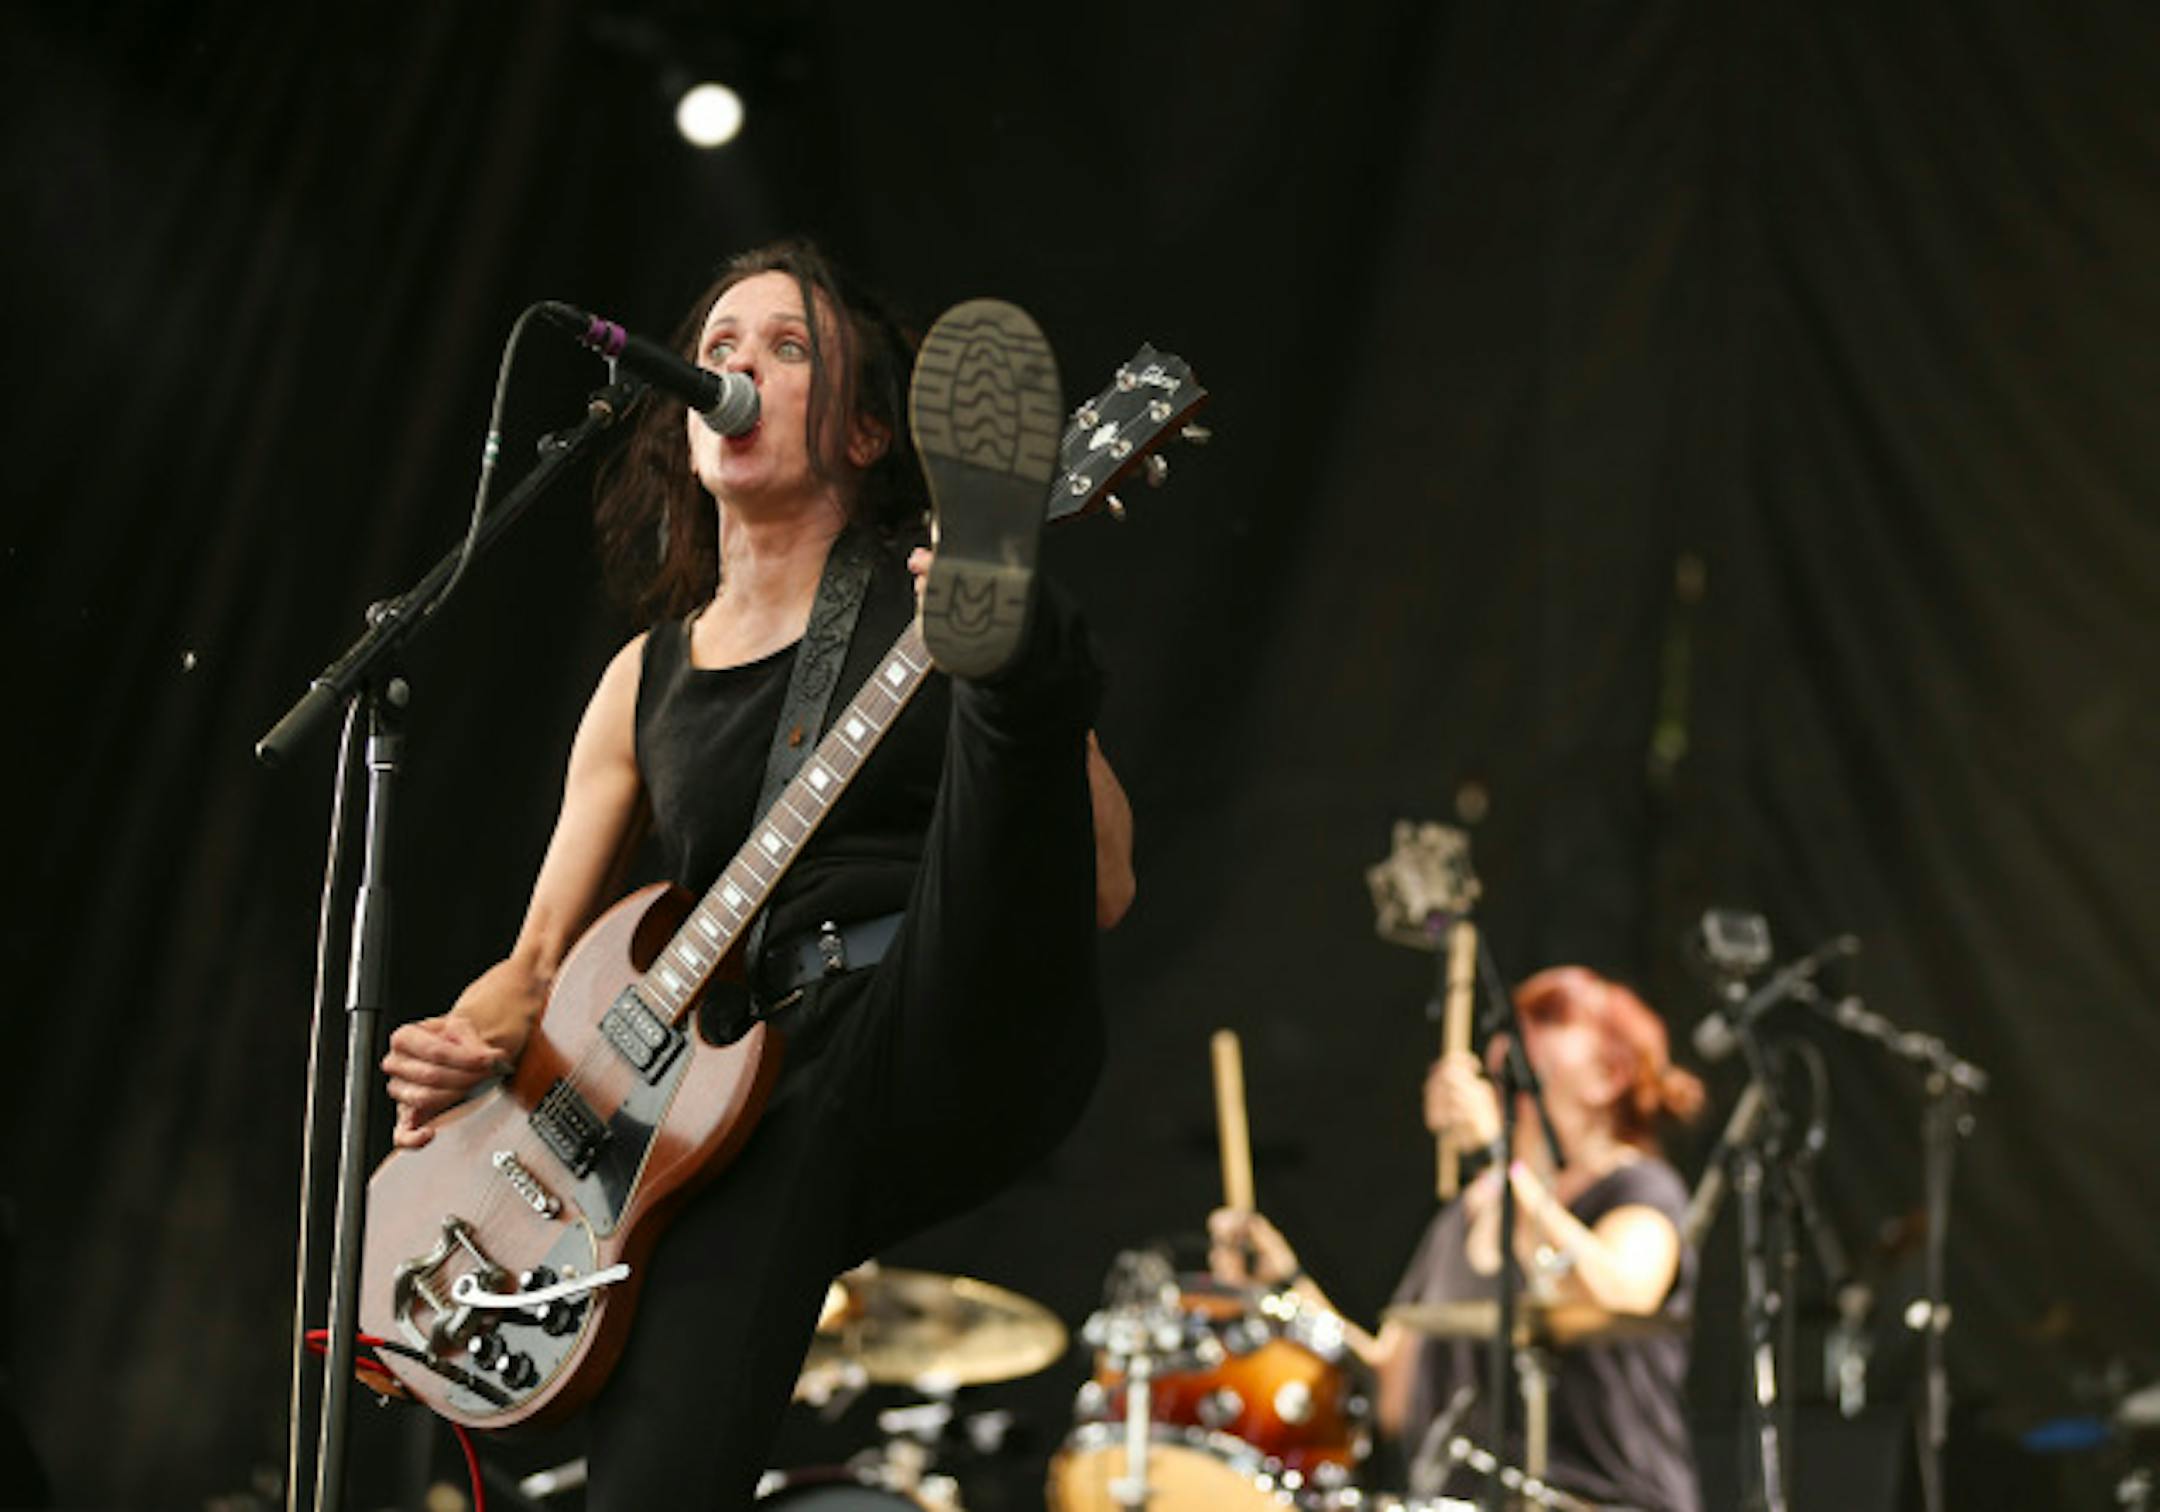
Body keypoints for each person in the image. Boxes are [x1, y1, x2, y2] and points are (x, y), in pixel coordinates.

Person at [378, 238, 1135, 1509]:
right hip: (754, 1091)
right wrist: (467, 1039)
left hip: (943, 989)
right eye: (717, 350)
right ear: (678, 416)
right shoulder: (643, 677)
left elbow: (1099, 882)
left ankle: (1018, 637)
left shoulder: (914, 603)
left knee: (988, 706)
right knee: (656, 1474)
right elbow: (540, 961)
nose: (734, 369)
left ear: (862, 435)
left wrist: (971, 626)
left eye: (789, 350)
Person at [1211, 966, 1705, 1512]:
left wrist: (1500, 1161)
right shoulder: (1467, 1213)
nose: (1513, 1043)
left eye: (1547, 1021)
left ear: (1610, 1074)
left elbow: (1621, 1294)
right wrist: (1284, 1287)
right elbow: (1393, 1394)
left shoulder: (1640, 1189)